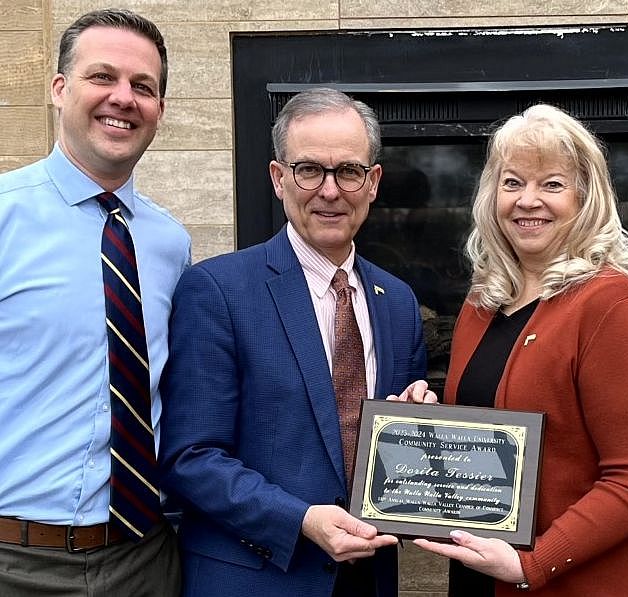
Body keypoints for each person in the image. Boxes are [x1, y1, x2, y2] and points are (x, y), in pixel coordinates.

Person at [158, 87, 430, 597]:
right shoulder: (217, 290)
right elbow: (189, 456)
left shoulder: (397, 302)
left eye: (348, 171)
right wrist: (300, 519)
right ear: (278, 178)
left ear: (373, 182)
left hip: (368, 579)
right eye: (309, 170)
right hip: (255, 579)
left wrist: (418, 427)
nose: (330, 190)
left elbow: (393, 456)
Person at [394, 104, 628, 595]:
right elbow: (492, 436)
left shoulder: (611, 303)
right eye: (513, 182)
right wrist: (428, 424)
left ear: (585, 197)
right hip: (483, 573)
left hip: (579, 583)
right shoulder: (483, 303)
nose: (528, 200)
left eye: (552, 184)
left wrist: (533, 563)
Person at [0, 8, 189, 596]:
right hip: (14, 560)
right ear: (60, 89)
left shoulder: (170, 243)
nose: (123, 98)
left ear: (159, 108)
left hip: (145, 559)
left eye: (143, 86)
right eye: (102, 76)